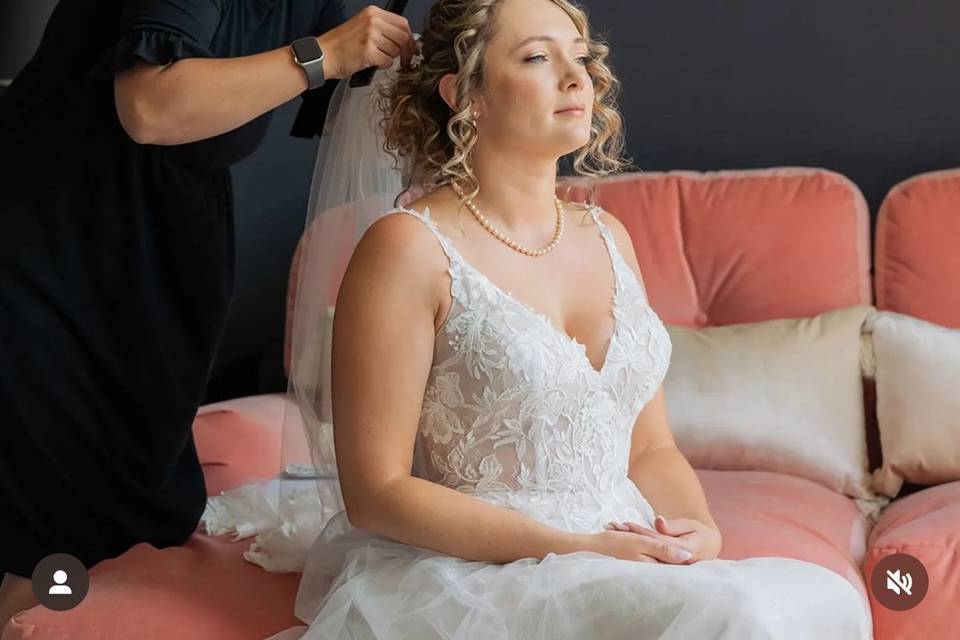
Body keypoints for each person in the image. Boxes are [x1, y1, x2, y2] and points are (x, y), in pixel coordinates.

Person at [246, 0, 877, 637]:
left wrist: (699, 531)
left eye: (579, 57)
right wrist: (574, 547)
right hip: (482, 574)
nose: (576, 78)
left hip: (624, 552)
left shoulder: (608, 235)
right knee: (736, 618)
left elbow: (650, 446)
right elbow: (376, 491)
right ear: (466, 93)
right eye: (537, 57)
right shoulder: (408, 249)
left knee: (827, 602)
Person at [0, 0, 416, 629]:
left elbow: (352, 110)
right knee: (54, 524)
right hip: (53, 237)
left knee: (140, 510)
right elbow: (149, 106)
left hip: (168, 246)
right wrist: (324, 54)